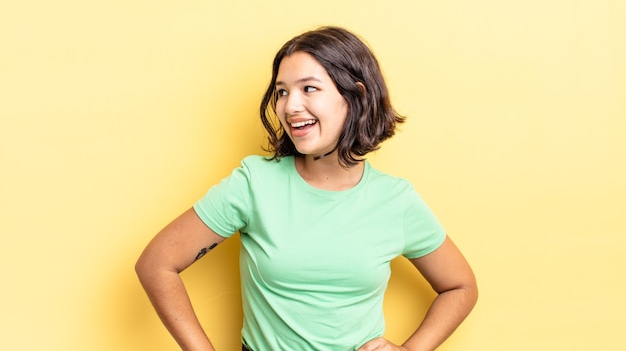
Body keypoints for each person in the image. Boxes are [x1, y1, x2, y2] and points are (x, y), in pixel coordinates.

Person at [135, 26, 478, 351]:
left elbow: (461, 287)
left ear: (355, 95)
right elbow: (157, 264)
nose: (289, 105)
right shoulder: (254, 183)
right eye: (282, 91)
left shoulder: (396, 201)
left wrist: (413, 348)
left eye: (308, 88)